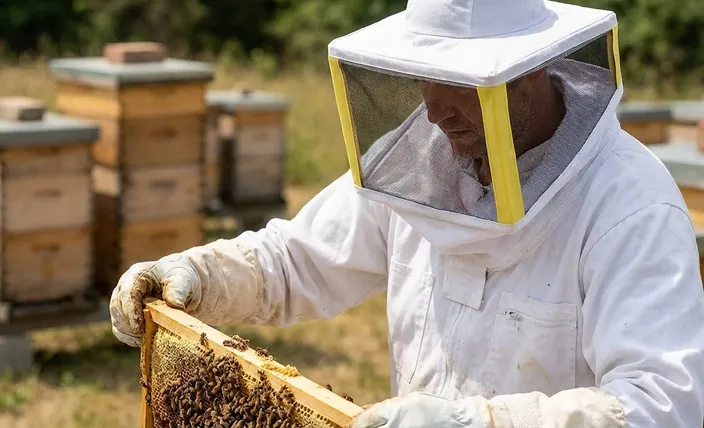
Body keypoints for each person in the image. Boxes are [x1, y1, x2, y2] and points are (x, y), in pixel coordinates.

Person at [109, 0, 704, 426]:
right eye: (427, 76)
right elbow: (301, 261)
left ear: (532, 67)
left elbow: (664, 406)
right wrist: (202, 274)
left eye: (462, 81)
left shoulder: (630, 206)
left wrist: (483, 423)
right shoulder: (423, 157)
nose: (437, 110)